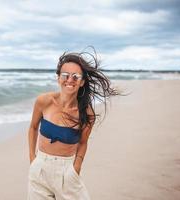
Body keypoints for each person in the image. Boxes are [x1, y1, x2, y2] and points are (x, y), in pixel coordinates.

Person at [27, 49, 121, 200]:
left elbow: (83, 143)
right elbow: (32, 128)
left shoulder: (86, 113)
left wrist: (76, 168)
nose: (70, 80)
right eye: (65, 75)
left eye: (75, 76)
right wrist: (32, 159)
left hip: (67, 171)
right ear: (58, 78)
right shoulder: (44, 101)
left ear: (82, 81)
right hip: (40, 170)